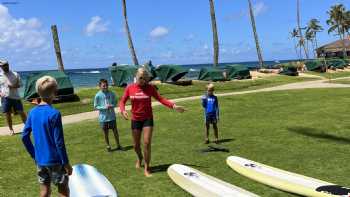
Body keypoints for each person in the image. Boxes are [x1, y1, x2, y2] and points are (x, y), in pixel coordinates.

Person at [119, 68, 185, 177]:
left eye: (145, 78)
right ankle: (140, 158)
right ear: (136, 77)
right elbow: (122, 101)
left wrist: (174, 106)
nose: (143, 80)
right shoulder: (130, 88)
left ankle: (147, 167)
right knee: (135, 145)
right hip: (135, 119)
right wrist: (123, 110)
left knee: (146, 142)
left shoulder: (150, 88)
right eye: (140, 77)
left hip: (147, 119)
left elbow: (161, 99)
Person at [22, 76, 72, 197]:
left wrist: (34, 154)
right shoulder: (54, 114)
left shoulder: (32, 112)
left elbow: (24, 136)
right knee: (63, 190)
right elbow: (59, 142)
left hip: (40, 160)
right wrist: (66, 163)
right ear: (55, 93)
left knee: (44, 191)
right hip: (55, 161)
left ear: (38, 92)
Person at [94, 79, 121, 152]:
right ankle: (108, 146)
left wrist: (112, 105)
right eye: (103, 86)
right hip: (103, 118)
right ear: (100, 86)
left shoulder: (112, 93)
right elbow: (95, 106)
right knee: (105, 133)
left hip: (112, 117)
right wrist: (104, 107)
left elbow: (115, 102)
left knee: (115, 131)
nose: (105, 87)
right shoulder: (97, 95)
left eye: (106, 85)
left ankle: (118, 145)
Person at [0, 60, 27, 135]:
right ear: (1, 67)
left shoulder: (15, 74)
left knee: (21, 112)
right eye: (4, 65)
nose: (6, 66)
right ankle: (11, 130)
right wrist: (0, 93)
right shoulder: (0, 75)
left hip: (15, 97)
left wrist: (13, 86)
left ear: (8, 64)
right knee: (7, 114)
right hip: (5, 98)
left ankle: (28, 127)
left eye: (6, 65)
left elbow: (20, 85)